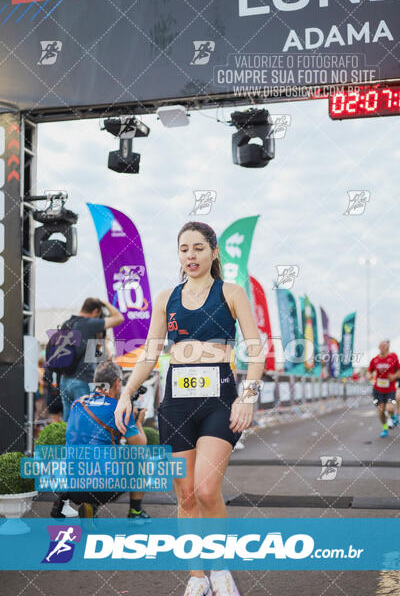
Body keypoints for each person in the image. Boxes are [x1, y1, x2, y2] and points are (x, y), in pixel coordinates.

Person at [115, 221, 264, 596]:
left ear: (214, 252)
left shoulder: (231, 292)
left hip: (220, 399)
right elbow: (151, 353)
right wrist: (126, 393)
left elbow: (256, 348)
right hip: (176, 403)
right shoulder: (167, 297)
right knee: (185, 494)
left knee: (207, 489)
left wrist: (249, 396)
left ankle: (220, 568)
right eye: (184, 249)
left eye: (198, 248)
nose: (191, 255)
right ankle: (197, 576)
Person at [51, 361, 150, 522]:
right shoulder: (119, 408)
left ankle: (89, 505)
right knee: (139, 458)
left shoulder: (78, 403)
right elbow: (140, 444)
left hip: (73, 486)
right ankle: (135, 511)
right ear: (117, 383)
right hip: (103, 488)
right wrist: (137, 421)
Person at [59, 297, 124, 421]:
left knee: (69, 423)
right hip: (82, 381)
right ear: (95, 312)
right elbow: (119, 318)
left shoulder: (68, 324)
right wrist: (104, 303)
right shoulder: (88, 324)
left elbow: (95, 353)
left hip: (65, 380)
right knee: (86, 421)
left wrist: (99, 342)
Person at [368, 340, 400, 437]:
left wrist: (394, 376)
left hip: (390, 388)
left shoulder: (393, 357)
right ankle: (385, 427)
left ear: (387, 347)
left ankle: (393, 417)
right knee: (381, 409)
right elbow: (370, 371)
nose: (382, 347)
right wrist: (369, 375)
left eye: (384, 346)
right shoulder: (375, 360)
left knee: (390, 407)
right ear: (378, 347)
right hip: (378, 389)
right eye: (380, 345)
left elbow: (399, 370)